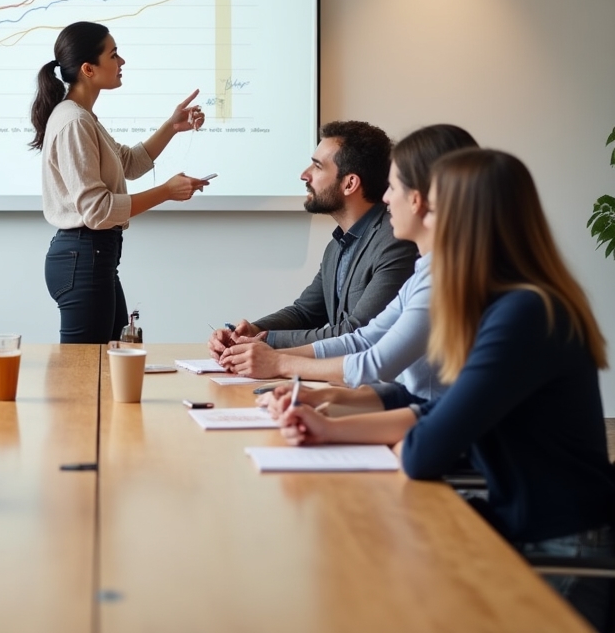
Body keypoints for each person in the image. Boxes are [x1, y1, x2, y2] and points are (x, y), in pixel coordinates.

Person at [278, 149, 615, 631]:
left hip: (558, 547)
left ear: (462, 219)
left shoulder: (524, 315)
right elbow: (430, 407)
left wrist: (345, 425)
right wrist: (328, 428)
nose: (403, 204)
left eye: (427, 204)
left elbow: (425, 448)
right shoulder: (503, 303)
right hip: (518, 525)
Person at [258, 124, 476, 411]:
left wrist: (278, 360)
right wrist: (258, 338)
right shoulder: (424, 270)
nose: (386, 198)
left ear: (419, 199)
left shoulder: (431, 270)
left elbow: (375, 360)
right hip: (415, 410)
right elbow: (366, 340)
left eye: (394, 186)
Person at [31, 21, 209, 343]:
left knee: (109, 362)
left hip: (94, 257)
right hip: (83, 258)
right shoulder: (74, 121)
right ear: (88, 68)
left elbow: (128, 163)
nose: (122, 62)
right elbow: (98, 210)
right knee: (83, 376)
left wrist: (172, 126)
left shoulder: (82, 117)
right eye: (114, 55)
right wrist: (167, 191)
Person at [211, 121, 418, 375]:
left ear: (350, 183)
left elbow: (356, 331)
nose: (304, 174)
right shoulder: (337, 245)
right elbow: (305, 313)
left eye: (318, 166)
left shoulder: (395, 241)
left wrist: (266, 342)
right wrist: (249, 332)